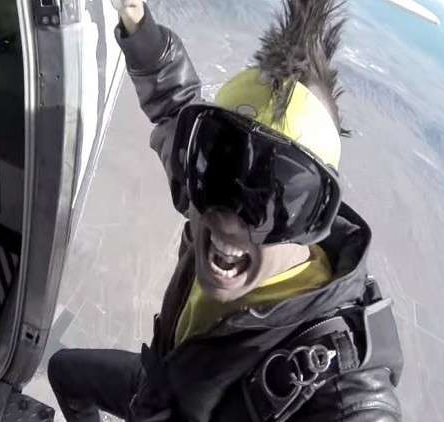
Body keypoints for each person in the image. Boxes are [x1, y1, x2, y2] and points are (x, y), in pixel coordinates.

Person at [48, 0, 404, 421]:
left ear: (311, 224)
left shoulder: (337, 384)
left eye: (269, 199)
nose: (230, 219)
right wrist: (138, 23)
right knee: (65, 372)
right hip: (161, 392)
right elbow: (174, 105)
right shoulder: (201, 190)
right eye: (221, 166)